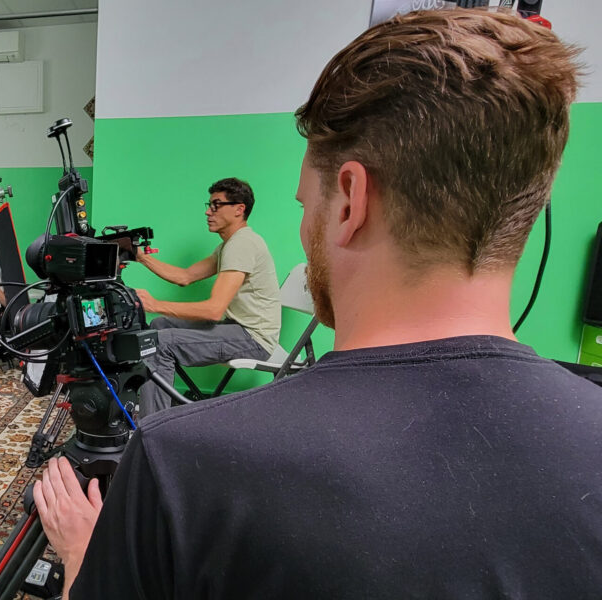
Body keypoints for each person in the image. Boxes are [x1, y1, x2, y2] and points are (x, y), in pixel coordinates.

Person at [35, 9, 601, 598]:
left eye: (307, 205)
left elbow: (207, 306)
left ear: (352, 200)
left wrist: (82, 552)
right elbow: (186, 279)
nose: (305, 226)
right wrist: (145, 265)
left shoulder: (180, 465)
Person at [132, 177, 280, 415]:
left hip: (253, 339)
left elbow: (214, 310)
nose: (207, 211)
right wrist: (141, 257)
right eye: (209, 204)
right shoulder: (229, 245)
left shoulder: (242, 245)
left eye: (216, 205)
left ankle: (151, 426)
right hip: (236, 328)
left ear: (239, 209)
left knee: (159, 343)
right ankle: (162, 407)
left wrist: (155, 304)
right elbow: (185, 276)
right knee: (158, 326)